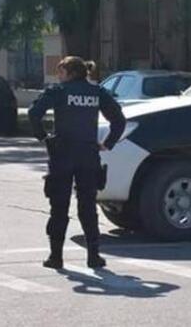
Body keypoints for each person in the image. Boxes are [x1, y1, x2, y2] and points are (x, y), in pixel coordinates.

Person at [28, 56, 126, 270]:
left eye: (61, 72)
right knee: (88, 206)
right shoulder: (97, 92)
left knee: (59, 207)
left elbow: (34, 113)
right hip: (88, 155)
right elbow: (119, 120)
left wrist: (42, 136)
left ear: (70, 73)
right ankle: (93, 256)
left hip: (62, 155)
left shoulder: (58, 91)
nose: (59, 76)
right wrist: (107, 143)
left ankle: (56, 257)